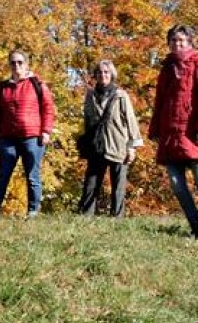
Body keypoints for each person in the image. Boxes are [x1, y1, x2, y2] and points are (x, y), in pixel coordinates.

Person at [0, 49, 55, 217]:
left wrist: (46, 131)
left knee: (32, 175)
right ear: (9, 65)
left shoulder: (37, 84)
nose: (16, 65)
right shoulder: (3, 87)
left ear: (26, 64)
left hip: (32, 137)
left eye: (20, 62)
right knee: (2, 174)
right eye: (13, 62)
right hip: (8, 138)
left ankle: (33, 211)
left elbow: (48, 109)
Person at [148, 24, 198, 237]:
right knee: (177, 186)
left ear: (189, 42)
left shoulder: (196, 64)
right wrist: (155, 129)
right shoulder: (166, 68)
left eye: (181, 40)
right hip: (170, 135)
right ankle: (196, 227)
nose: (177, 44)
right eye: (173, 41)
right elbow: (159, 101)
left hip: (192, 134)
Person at [77, 60, 142, 217]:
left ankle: (116, 218)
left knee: (118, 185)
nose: (102, 75)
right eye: (99, 72)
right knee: (91, 184)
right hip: (96, 146)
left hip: (118, 144)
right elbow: (87, 120)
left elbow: (131, 121)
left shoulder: (121, 96)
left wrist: (132, 147)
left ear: (112, 75)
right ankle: (86, 217)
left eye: (106, 72)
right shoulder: (90, 95)